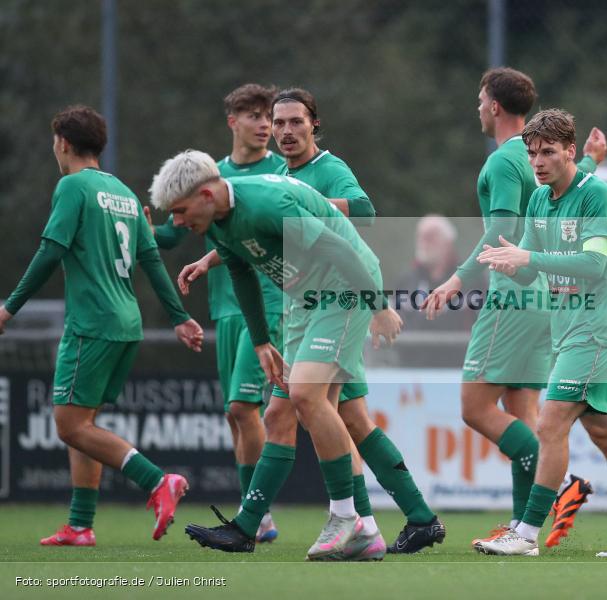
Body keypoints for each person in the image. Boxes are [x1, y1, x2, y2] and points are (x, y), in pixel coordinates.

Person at [149, 151, 402, 561]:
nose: (176, 221)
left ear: (208, 193)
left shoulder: (267, 205)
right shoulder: (216, 220)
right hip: (305, 300)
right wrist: (263, 342)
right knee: (279, 415)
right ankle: (252, 528)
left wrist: (379, 307)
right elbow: (240, 272)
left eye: (179, 210)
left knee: (306, 396)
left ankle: (348, 519)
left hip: (344, 285)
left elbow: (338, 250)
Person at [0, 105, 204, 545]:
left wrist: (8, 309)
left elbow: (49, 251)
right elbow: (150, 259)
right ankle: (80, 524)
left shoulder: (72, 186)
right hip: (125, 321)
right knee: (85, 424)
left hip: (91, 322)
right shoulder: (125, 194)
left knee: (70, 426)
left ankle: (156, 480)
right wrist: (179, 317)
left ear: (63, 144)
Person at [422, 68, 606, 549]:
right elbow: (573, 183)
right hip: (547, 293)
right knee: (521, 410)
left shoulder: (507, 160)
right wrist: (589, 160)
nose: (477, 108)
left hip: (514, 292)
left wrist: (457, 278)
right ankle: (523, 529)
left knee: (474, 406)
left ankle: (559, 488)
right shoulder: (541, 160)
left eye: (480, 99)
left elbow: (500, 231)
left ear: (495, 106)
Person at [476, 109, 607, 557]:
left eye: (546, 152)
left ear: (570, 152)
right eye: (531, 154)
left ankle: (524, 534)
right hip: (564, 330)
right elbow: (530, 268)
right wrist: (511, 264)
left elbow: (593, 265)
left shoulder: (597, 196)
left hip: (594, 329)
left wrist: (530, 262)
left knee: (550, 420)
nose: (537, 162)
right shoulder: (539, 201)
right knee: (606, 434)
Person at [267, 88, 445, 553]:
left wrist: (309, 207)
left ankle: (265, 523)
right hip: (313, 312)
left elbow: (364, 211)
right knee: (352, 421)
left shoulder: (328, 169)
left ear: (314, 126)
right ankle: (412, 518)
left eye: (296, 122)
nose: (286, 131)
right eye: (279, 123)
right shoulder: (280, 176)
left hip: (337, 309)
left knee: (296, 408)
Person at [144, 83, 286, 544]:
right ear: (233, 122)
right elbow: (172, 233)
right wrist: (145, 231)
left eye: (269, 115)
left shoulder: (278, 173)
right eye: (254, 115)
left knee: (245, 406)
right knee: (235, 415)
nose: (265, 124)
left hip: (269, 301)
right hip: (227, 306)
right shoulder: (209, 176)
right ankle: (254, 515)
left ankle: (257, 515)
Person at [394, 215, 476, 334]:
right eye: (420, 236)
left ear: (448, 243)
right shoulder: (406, 281)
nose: (423, 242)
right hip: (414, 351)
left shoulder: (471, 280)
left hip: (460, 351)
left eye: (430, 236)